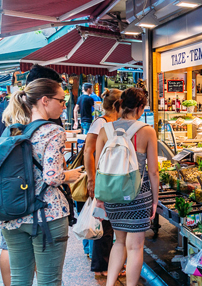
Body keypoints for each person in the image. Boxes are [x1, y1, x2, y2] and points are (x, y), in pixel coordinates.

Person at [0, 79, 84, 286]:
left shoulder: (14, 129)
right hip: (48, 214)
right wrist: (68, 176)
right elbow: (52, 177)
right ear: (45, 100)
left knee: (19, 279)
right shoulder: (53, 131)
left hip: (13, 214)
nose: (64, 106)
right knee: (49, 281)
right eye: (61, 100)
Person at [96, 88, 158, 286]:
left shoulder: (105, 129)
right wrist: (155, 201)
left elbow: (100, 168)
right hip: (138, 195)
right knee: (135, 247)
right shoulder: (147, 130)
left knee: (119, 242)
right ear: (140, 107)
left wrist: (100, 198)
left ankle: (110, 283)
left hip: (112, 195)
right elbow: (153, 171)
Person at [83, 89, 122, 277]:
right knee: (104, 224)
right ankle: (102, 266)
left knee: (107, 223)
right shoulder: (101, 122)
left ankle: (102, 264)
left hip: (110, 180)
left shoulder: (113, 123)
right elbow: (87, 151)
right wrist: (92, 180)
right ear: (116, 106)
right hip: (101, 181)